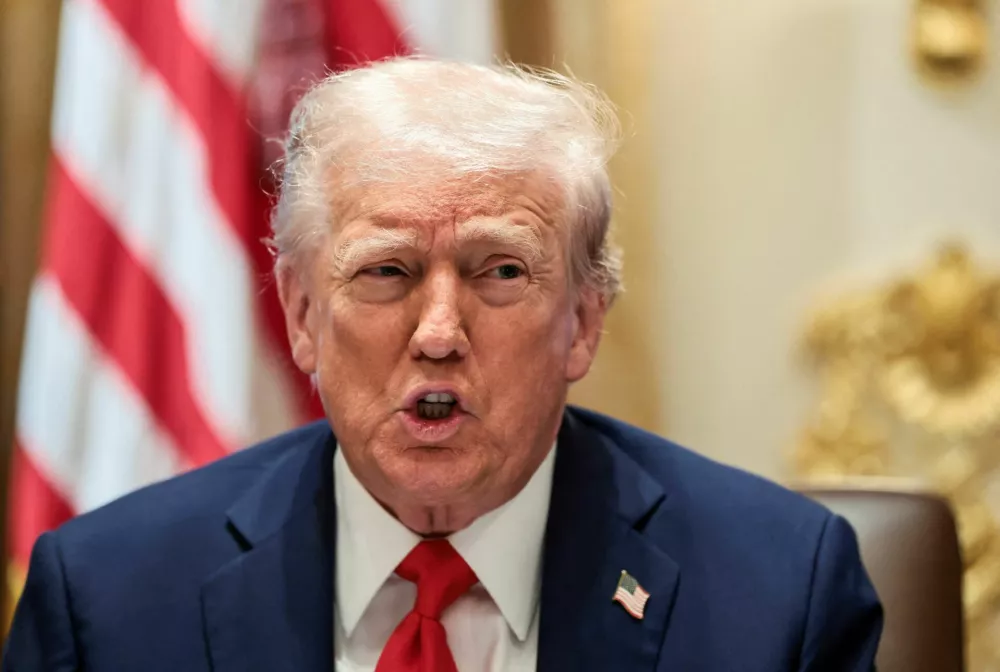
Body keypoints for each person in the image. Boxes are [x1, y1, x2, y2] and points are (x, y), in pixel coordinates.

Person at [4, 58, 882, 672]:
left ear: (583, 321)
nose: (437, 332)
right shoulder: (108, 600)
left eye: (500, 272)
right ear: (303, 315)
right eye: (386, 271)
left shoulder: (778, 596)